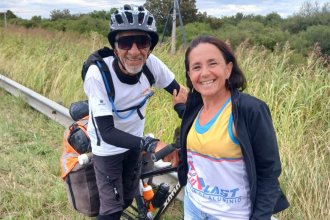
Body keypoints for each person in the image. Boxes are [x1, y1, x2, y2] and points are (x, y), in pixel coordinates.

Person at [83, 4, 186, 220]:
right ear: (115, 47)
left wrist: (183, 110)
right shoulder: (98, 73)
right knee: (111, 211)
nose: (134, 51)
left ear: (150, 47)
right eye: (125, 42)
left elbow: (179, 91)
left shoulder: (152, 65)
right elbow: (107, 131)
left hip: (134, 143)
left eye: (142, 42)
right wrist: (150, 144)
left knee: (127, 198)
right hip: (108, 148)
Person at [177, 35, 289, 220]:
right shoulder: (194, 107)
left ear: (228, 69)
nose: (204, 73)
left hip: (232, 215)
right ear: (190, 75)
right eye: (196, 67)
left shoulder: (250, 110)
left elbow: (268, 173)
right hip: (193, 205)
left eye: (213, 63)